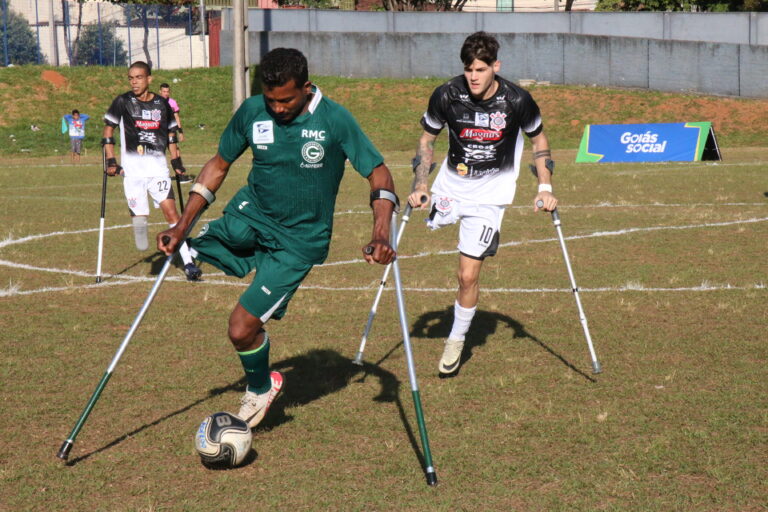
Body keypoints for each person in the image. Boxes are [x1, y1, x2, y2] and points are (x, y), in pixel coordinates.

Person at [157, 48, 397, 428]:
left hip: (298, 242)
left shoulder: (334, 120)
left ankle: (260, 387)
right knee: (193, 246)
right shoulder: (254, 111)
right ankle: (207, 251)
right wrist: (181, 225)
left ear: (305, 87)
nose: (278, 108)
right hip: (249, 218)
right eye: (271, 99)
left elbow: (379, 174)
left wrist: (381, 232)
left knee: (240, 329)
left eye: (286, 99)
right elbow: (219, 166)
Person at [407, 31, 558, 377]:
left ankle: (456, 340)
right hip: (451, 187)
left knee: (467, 274)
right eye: (468, 69)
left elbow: (539, 141)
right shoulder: (447, 94)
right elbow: (427, 139)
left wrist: (545, 187)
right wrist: (421, 185)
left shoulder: (517, 101)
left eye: (480, 69)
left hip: (490, 196)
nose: (473, 76)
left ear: (495, 67)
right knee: (431, 224)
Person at [102, 61, 202, 281]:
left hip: (157, 171)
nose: (134, 82)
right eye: (130, 78)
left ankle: (188, 263)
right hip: (133, 173)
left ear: (149, 79)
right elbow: (108, 130)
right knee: (140, 226)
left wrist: (177, 162)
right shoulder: (122, 102)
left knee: (172, 214)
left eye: (138, 77)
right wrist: (110, 159)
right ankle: (144, 230)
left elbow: (171, 135)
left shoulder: (161, 104)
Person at [158, 83, 192, 183]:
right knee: (160, 153)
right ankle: (161, 175)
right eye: (164, 91)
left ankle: (180, 175)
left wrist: (180, 131)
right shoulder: (156, 102)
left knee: (176, 152)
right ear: (160, 92)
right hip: (160, 132)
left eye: (167, 91)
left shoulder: (172, 102)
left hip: (171, 131)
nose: (166, 94)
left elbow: (176, 117)